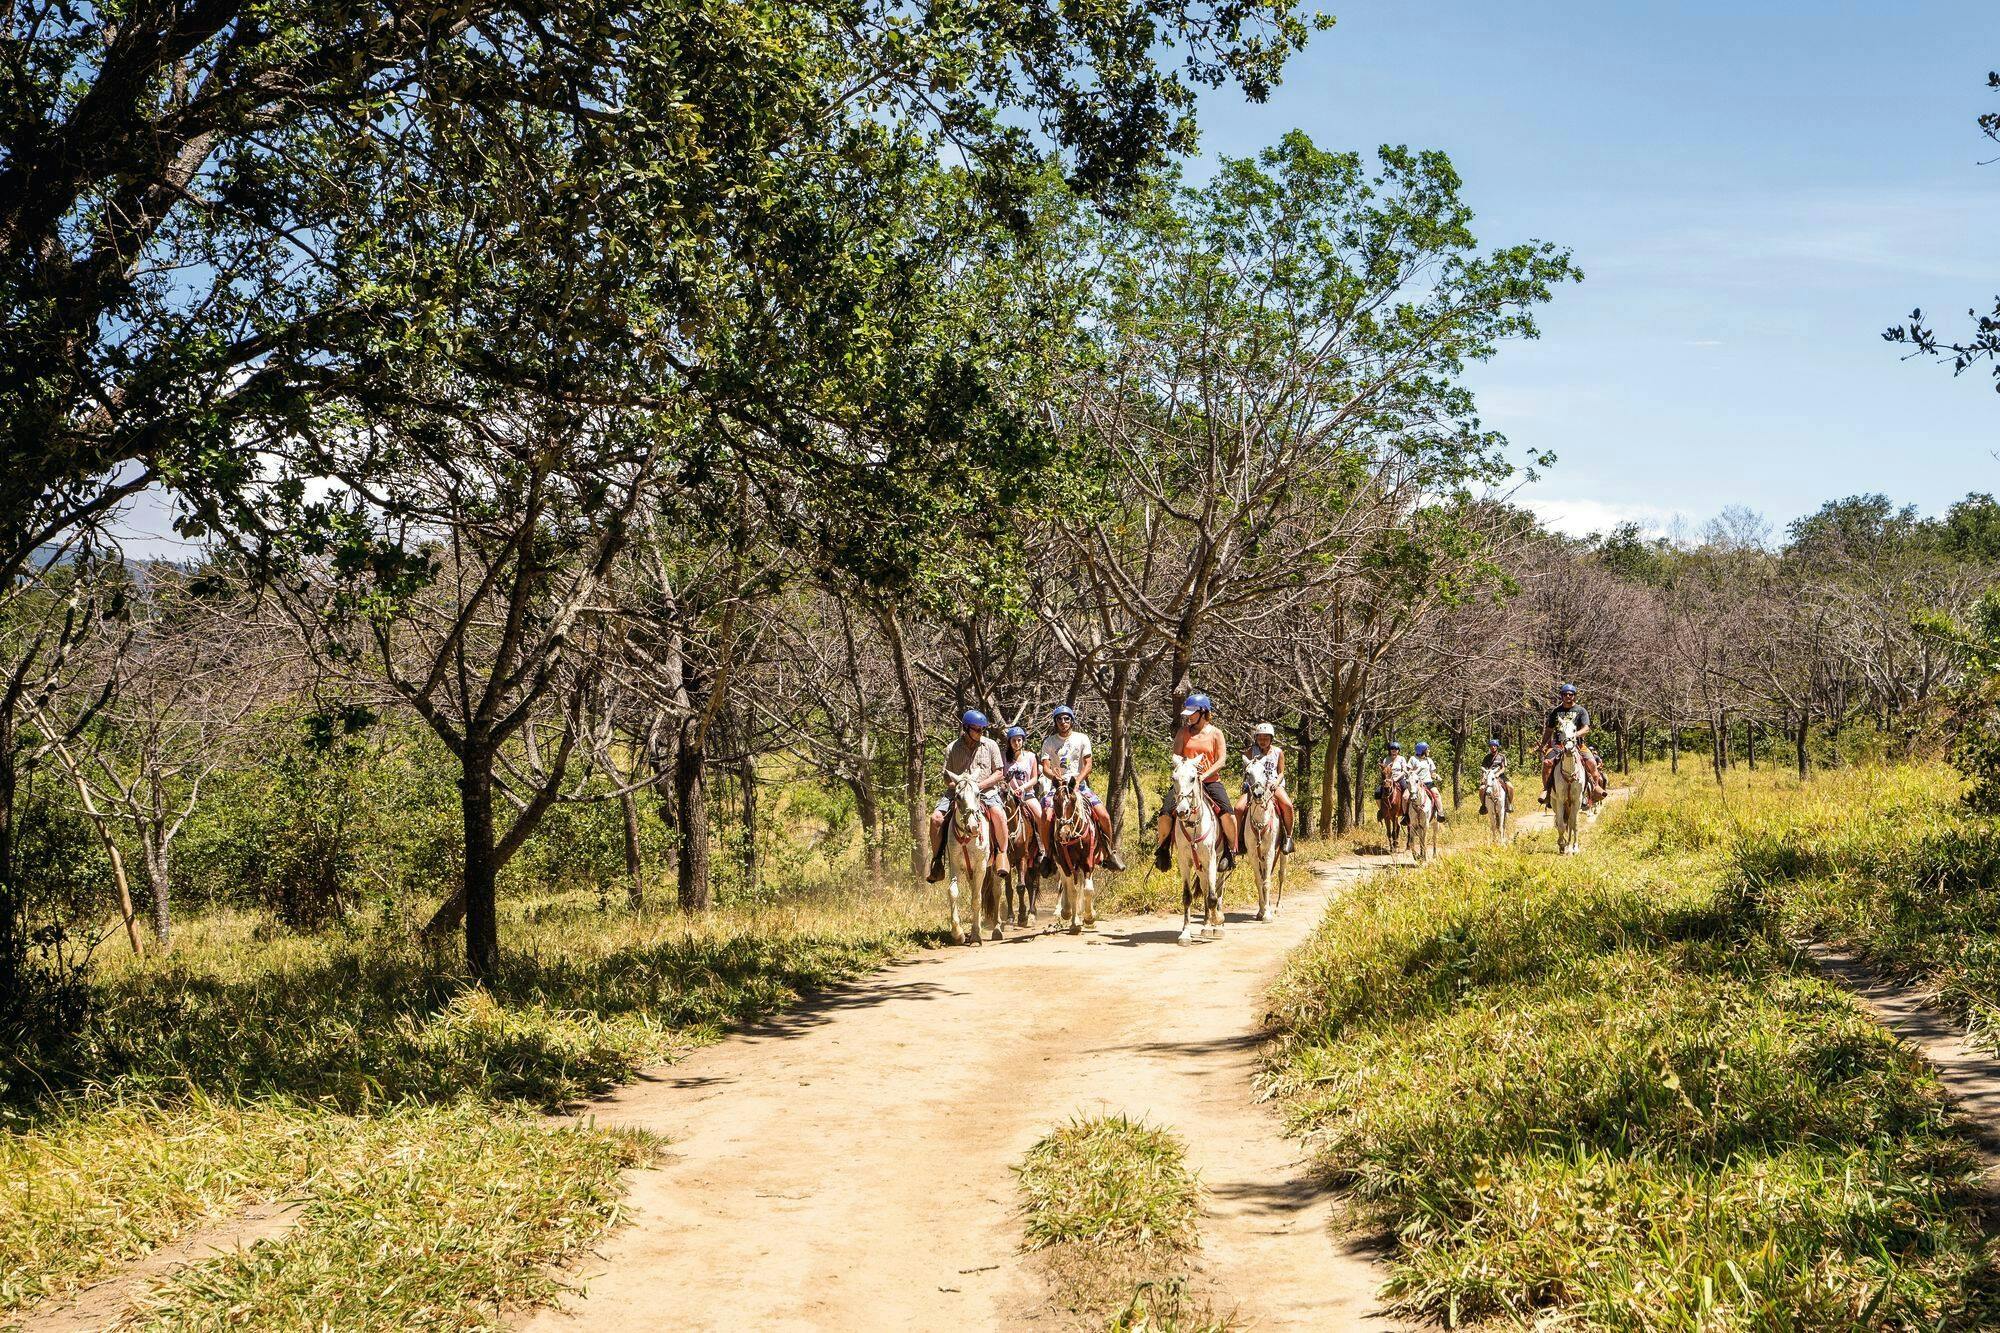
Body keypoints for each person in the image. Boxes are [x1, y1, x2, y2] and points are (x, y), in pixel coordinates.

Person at [1153, 693, 1238, 871]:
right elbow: (1176, 755)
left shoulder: (1216, 733)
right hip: (1186, 782)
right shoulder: (1183, 732)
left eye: (1192, 713)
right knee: (1166, 812)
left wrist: (1204, 775)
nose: (1189, 717)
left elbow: (1221, 760)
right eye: (1188, 713)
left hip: (1210, 781)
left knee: (1228, 814)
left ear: (1203, 712)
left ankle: (1230, 851)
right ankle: (1163, 849)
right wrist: (1185, 768)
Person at [1038, 705, 1127, 871]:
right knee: (1047, 816)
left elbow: (1088, 765)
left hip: (1079, 786)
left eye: (1066, 719)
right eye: (1059, 719)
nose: (1063, 722)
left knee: (1103, 815)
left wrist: (1078, 780)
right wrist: (1054, 777)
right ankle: (1048, 854)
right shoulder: (1049, 742)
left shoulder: (1082, 738)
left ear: (1071, 721)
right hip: (1058, 788)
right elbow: (1045, 767)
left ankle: (1109, 852)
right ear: (1055, 722)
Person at [927, 711, 1010, 883]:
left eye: (982, 729)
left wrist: (979, 786)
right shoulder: (952, 748)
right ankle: (937, 861)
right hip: (958, 792)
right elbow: (946, 778)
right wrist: (960, 787)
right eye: (977, 729)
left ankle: (1002, 854)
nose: (980, 732)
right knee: (935, 818)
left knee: (999, 814)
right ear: (966, 728)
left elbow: (999, 773)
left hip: (985, 790)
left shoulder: (991, 745)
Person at [1539, 683, 1605, 806]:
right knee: (1547, 764)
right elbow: (1549, 730)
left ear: (1574, 696)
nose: (1568, 696)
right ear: (1562, 696)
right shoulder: (1556, 712)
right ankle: (1547, 790)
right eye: (1565, 694)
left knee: (1592, 763)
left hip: (1578, 745)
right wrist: (1543, 744)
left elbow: (1586, 728)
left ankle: (1595, 790)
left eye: (1571, 694)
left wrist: (1575, 735)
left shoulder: (1581, 711)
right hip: (1558, 745)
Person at [1235, 723, 1296, 854]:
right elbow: (1246, 769)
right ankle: (1237, 841)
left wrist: (1276, 783)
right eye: (1260, 738)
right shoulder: (1251, 751)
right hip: (1255, 786)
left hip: (1273, 785)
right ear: (1256, 738)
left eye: (1266, 738)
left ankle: (1288, 837)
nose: (1262, 741)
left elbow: (1281, 772)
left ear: (1271, 739)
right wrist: (1246, 783)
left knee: (1287, 805)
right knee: (1238, 808)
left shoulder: (1278, 752)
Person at [1002, 726, 1051, 870]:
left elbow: (1035, 778)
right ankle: (997, 850)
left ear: (1023, 741)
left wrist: (1022, 788)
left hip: (1027, 795)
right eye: (1014, 740)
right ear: (1009, 742)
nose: (1017, 743)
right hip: (1008, 796)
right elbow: (1001, 777)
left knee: (1041, 817)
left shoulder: (1030, 756)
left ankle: (1044, 849)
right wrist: (1010, 788)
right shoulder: (1003, 757)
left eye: (1019, 740)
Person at [1407, 741, 1446, 821]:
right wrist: (1416, 771)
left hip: (1428, 782)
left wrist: (1437, 776)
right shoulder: (1413, 759)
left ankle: (1440, 813)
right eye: (1427, 749)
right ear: (1422, 750)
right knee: (1405, 796)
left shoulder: (1429, 760)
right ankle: (1406, 815)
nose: (1429, 751)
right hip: (1416, 784)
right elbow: (1409, 772)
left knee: (1436, 794)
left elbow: (1432, 773)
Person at [1478, 737, 1515, 814]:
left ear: (1497, 747)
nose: (1493, 747)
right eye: (1491, 746)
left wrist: (1498, 773)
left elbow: (1503, 768)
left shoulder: (1502, 756)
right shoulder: (1487, 757)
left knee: (1510, 787)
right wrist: (1484, 773)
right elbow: (1482, 766)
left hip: (1500, 775)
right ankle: (1484, 806)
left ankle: (1510, 804)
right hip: (1489, 776)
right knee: (1481, 789)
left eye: (1494, 746)